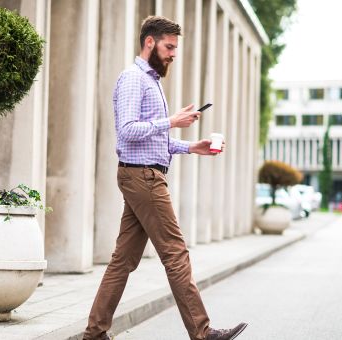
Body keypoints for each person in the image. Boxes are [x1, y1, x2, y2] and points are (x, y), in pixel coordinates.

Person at [82, 16, 247, 340]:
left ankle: (94, 334)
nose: (173, 53)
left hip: (141, 174)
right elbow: (128, 131)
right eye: (169, 46)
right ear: (149, 42)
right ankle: (202, 333)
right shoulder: (134, 79)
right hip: (143, 178)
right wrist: (171, 120)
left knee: (123, 261)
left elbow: (152, 139)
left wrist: (192, 146)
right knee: (175, 253)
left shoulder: (152, 81)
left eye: (174, 48)